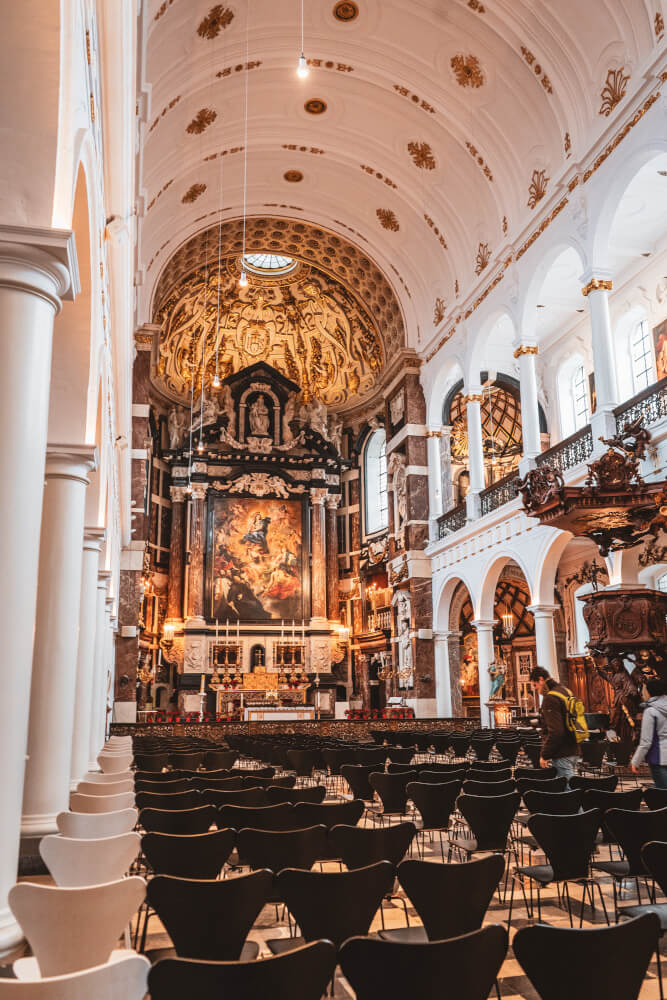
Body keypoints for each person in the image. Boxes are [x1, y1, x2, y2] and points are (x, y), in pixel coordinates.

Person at [529, 666, 580, 784]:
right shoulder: (565, 691)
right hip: (573, 748)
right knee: (569, 787)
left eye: (535, 685)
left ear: (541, 680)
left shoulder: (550, 698)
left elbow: (556, 732)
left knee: (568, 791)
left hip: (562, 752)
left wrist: (545, 755)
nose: (535, 689)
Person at [631, 677, 667, 788]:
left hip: (658, 758)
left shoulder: (651, 711)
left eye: (644, 690)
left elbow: (646, 741)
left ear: (649, 692)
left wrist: (635, 761)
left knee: (663, 795)